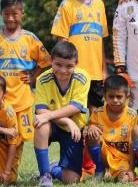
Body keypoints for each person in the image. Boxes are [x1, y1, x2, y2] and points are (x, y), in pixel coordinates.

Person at [0, 0, 51, 178]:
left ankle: (7, 170)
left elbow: (46, 61)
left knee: (18, 139)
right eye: (6, 14)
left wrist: (33, 76)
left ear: (22, 13)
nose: (11, 18)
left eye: (15, 14)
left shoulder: (30, 39)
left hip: (22, 102)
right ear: (1, 14)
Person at [50, 0, 109, 175]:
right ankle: (76, 165)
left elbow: (101, 40)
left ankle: (93, 165)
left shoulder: (99, 4)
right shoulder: (67, 6)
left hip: (95, 73)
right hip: (76, 74)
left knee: (93, 121)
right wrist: (65, 72)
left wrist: (103, 69)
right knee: (77, 120)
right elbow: (61, 42)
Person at [33, 41, 90, 186]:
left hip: (74, 130)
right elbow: (41, 111)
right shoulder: (42, 80)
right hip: (57, 125)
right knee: (42, 125)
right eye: (58, 65)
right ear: (51, 61)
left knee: (72, 180)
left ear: (76, 63)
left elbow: (75, 107)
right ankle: (44, 175)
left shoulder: (83, 77)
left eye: (69, 66)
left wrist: (50, 115)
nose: (63, 70)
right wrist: (67, 121)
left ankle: (53, 168)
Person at [86, 75, 138, 183]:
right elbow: (87, 129)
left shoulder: (132, 115)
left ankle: (118, 172)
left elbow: (133, 143)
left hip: (122, 159)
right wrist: (90, 127)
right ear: (104, 96)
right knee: (92, 134)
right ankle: (99, 171)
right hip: (103, 154)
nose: (115, 100)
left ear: (127, 97)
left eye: (119, 97)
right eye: (111, 96)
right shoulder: (97, 113)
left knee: (124, 180)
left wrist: (131, 169)